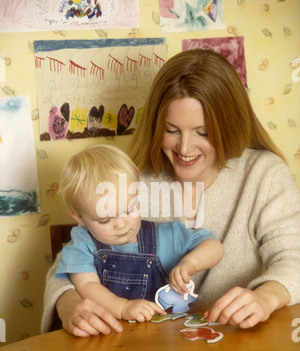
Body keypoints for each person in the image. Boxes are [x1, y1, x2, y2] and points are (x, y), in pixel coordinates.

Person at [42, 48, 300, 336]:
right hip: (146, 349)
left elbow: (294, 257)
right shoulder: (129, 183)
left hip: (236, 341)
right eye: (171, 130)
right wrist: (68, 305)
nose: (185, 148)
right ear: (155, 125)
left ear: (227, 126)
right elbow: (67, 268)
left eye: (202, 132)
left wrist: (266, 297)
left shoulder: (263, 174)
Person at [54, 144, 224, 324]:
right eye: (104, 220)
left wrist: (191, 262)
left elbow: (214, 246)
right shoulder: (83, 245)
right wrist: (123, 307)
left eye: (129, 210)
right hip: (110, 336)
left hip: (166, 335)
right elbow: (87, 286)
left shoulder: (162, 236)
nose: (121, 224)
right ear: (79, 216)